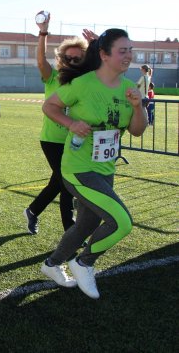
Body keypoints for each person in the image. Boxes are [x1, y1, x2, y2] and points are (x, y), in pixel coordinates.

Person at [40, 28, 148, 299]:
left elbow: (137, 131)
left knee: (86, 225)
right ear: (104, 54)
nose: (128, 55)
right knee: (122, 222)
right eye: (122, 50)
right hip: (78, 168)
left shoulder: (128, 88)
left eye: (130, 50)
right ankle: (84, 262)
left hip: (105, 168)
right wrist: (71, 123)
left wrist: (138, 107)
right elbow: (49, 107)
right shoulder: (83, 83)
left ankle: (52, 265)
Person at [23, 12, 89, 235]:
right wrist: (43, 31)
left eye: (77, 58)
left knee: (59, 182)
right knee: (65, 183)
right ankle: (70, 231)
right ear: (61, 58)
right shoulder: (52, 77)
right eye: (68, 58)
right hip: (53, 139)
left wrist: (100, 44)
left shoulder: (87, 80)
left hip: (77, 140)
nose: (72, 61)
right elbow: (41, 60)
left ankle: (33, 211)